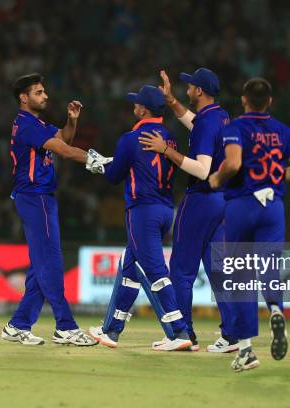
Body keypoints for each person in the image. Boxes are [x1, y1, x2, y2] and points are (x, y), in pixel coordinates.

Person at [0, 73, 108, 346]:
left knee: (41, 265)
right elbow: (64, 151)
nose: (45, 96)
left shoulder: (35, 123)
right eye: (38, 92)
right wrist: (94, 160)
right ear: (24, 98)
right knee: (50, 263)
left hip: (40, 198)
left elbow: (63, 139)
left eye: (44, 91)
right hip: (35, 197)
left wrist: (71, 121)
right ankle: (65, 326)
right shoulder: (26, 125)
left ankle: (17, 325)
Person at [209, 77, 290, 371]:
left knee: (240, 276)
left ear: (243, 100)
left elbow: (234, 163)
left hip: (242, 204)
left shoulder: (235, 127)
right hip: (273, 206)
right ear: (270, 102)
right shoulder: (282, 130)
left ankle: (247, 351)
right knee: (269, 266)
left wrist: (216, 178)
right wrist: (273, 180)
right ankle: (276, 308)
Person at [139, 68, 237, 352]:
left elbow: (203, 170)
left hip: (201, 199)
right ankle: (231, 335)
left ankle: (183, 333)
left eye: (191, 86)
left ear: (201, 92)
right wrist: (171, 101)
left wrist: (166, 150)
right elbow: (195, 122)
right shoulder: (219, 115)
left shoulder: (208, 122)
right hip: (222, 202)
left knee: (181, 270)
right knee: (218, 271)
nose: (187, 90)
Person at [88, 85, 193, 351]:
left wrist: (101, 165)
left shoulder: (130, 138)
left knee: (155, 270)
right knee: (129, 269)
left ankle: (179, 332)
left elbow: (114, 176)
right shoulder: (170, 138)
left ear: (143, 109)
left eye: (136, 104)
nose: (133, 107)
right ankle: (111, 330)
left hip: (142, 210)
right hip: (165, 209)